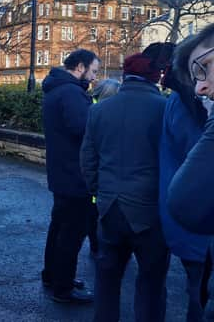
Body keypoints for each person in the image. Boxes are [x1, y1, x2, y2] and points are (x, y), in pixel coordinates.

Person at [81, 50, 170, 322]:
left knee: (107, 280)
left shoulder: (98, 109)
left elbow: (87, 161)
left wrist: (100, 192)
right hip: (150, 211)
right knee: (151, 283)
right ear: (154, 76)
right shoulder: (165, 109)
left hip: (110, 208)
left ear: (126, 75)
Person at [41, 49, 100, 304]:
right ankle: (63, 288)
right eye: (93, 71)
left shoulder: (57, 89)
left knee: (59, 227)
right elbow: (85, 129)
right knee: (72, 233)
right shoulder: (72, 93)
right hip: (76, 175)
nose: (94, 78)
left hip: (61, 172)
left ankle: (53, 275)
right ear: (80, 67)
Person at [159, 54, 211, 322]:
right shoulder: (193, 106)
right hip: (199, 217)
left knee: (195, 289)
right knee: (200, 294)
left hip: (182, 216)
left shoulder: (175, 101)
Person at [87, 78, 121, 258]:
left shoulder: (92, 107)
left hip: (96, 175)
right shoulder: (98, 111)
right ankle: (97, 244)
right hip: (103, 175)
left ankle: (95, 243)